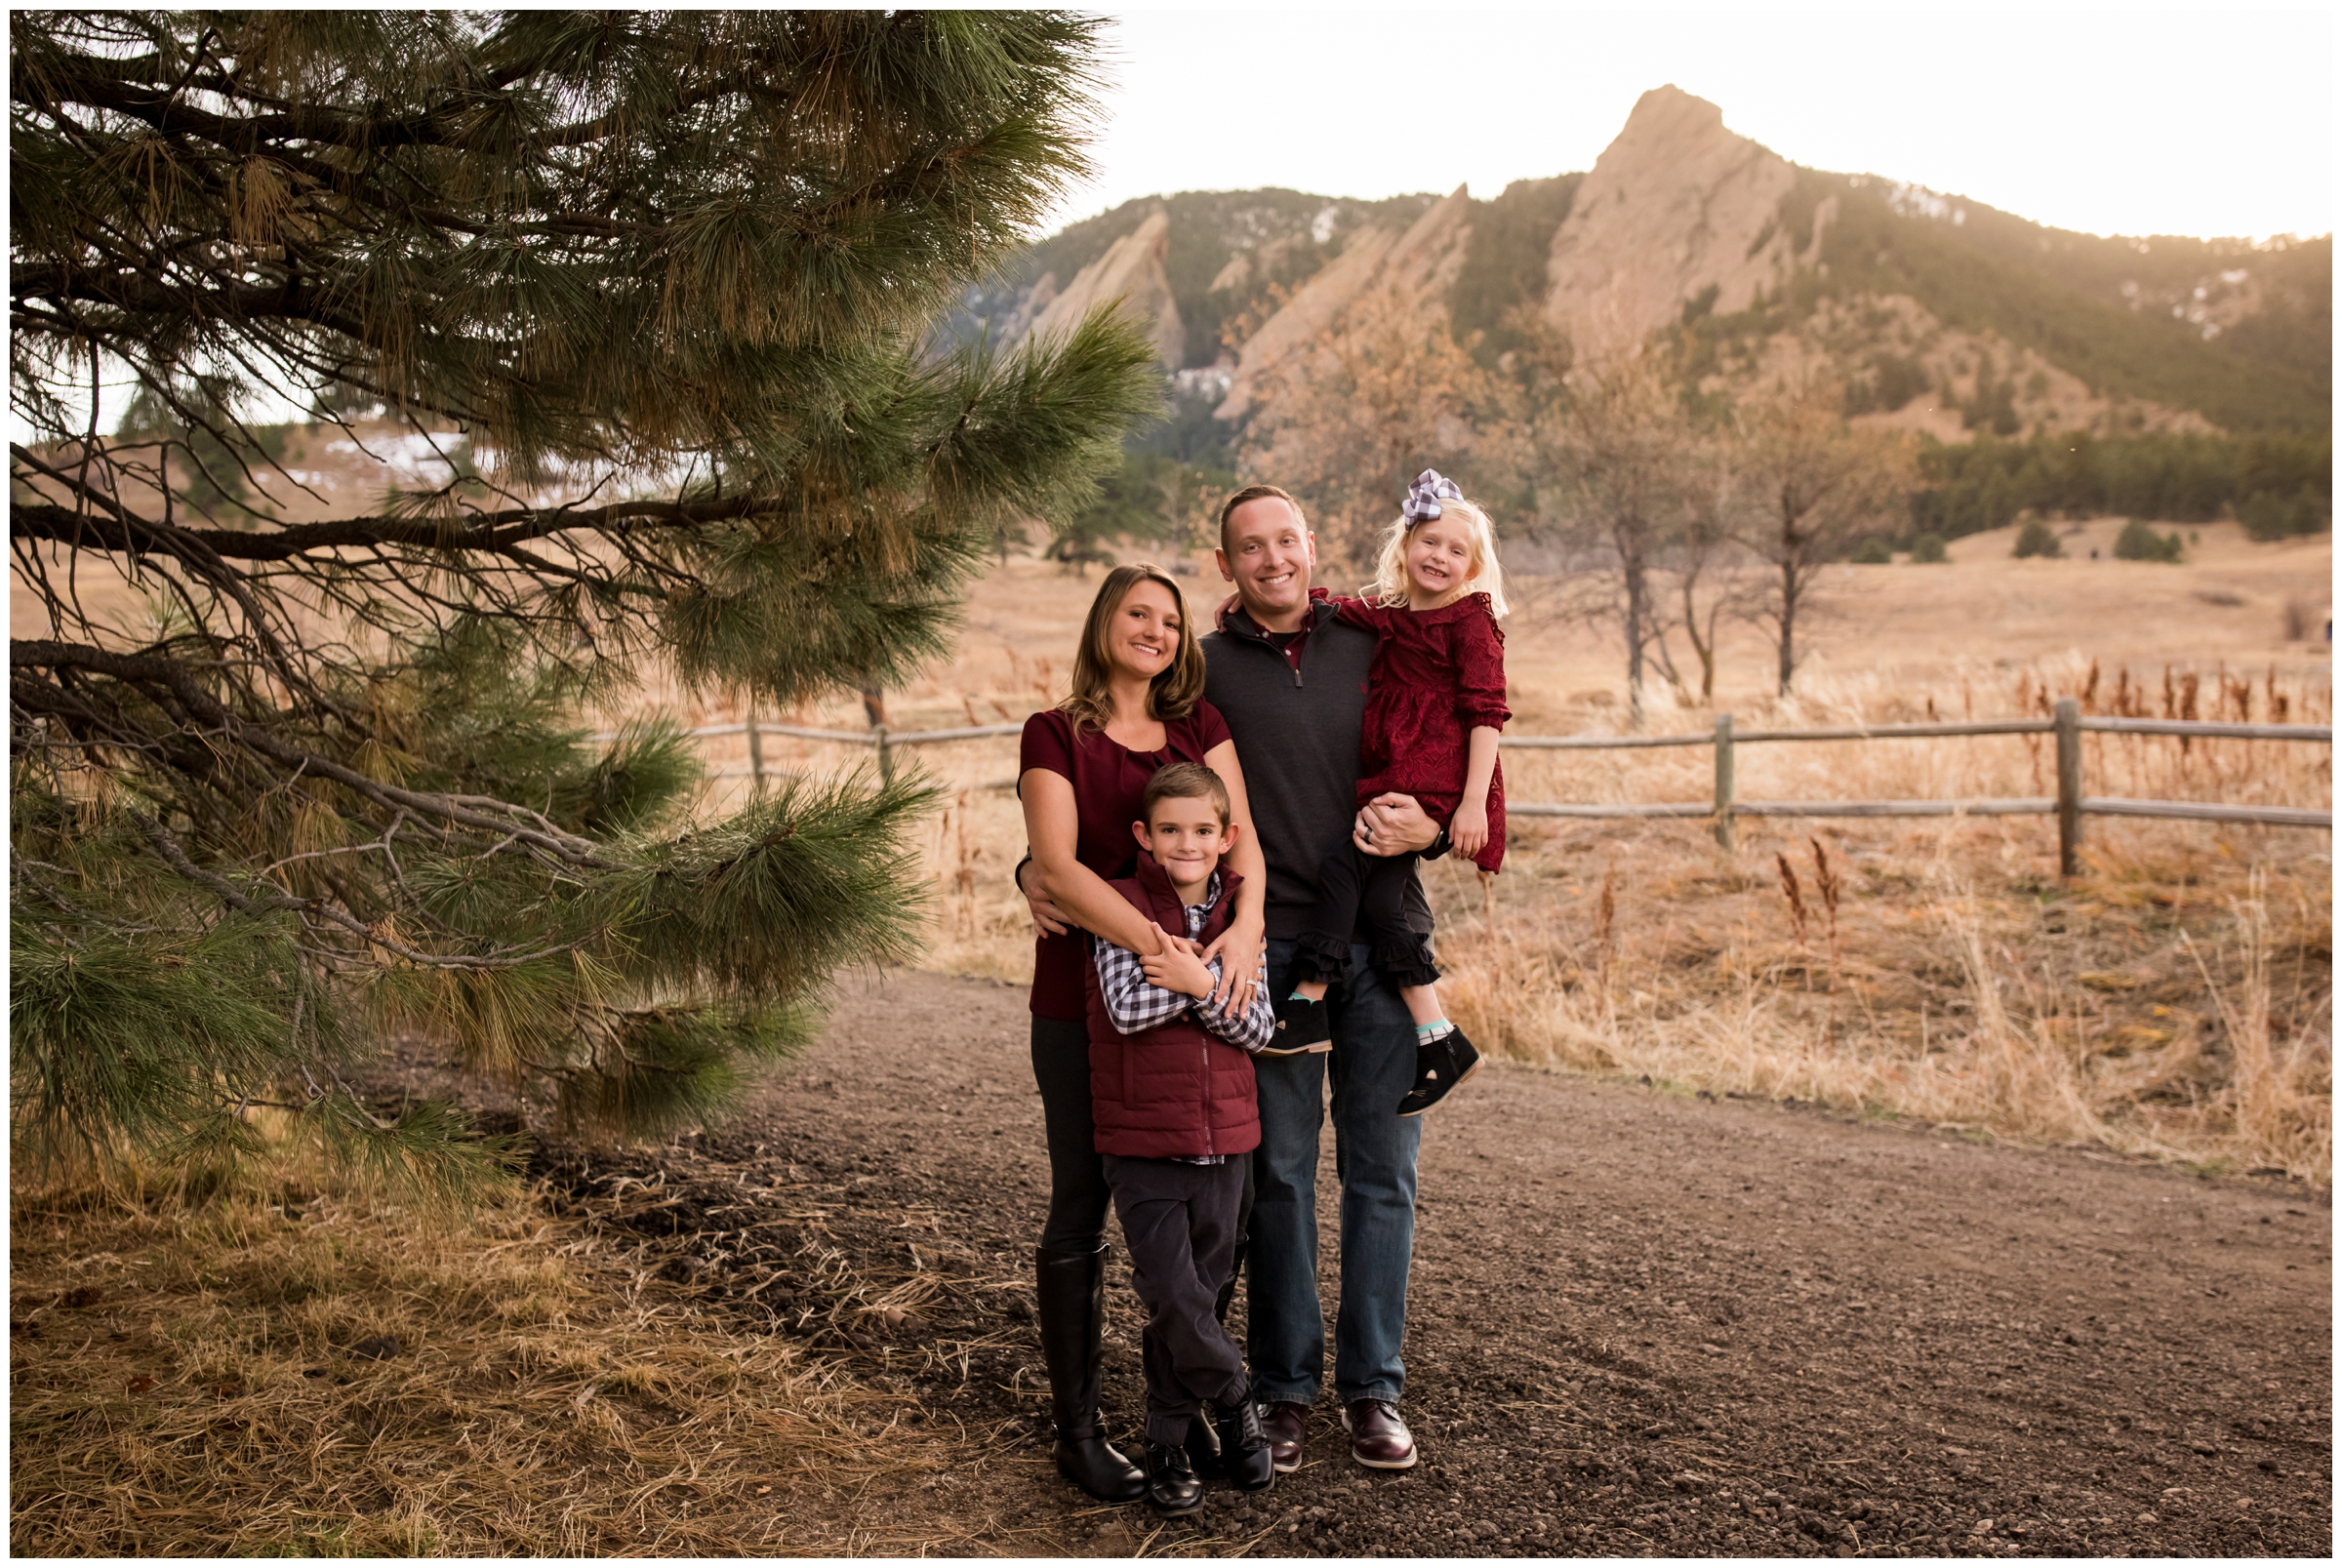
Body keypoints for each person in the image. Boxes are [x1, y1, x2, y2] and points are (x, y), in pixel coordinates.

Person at [1198, 482, 1450, 1474]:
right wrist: (1038, 868)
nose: (1272, 559)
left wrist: (1434, 820)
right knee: (1282, 1174)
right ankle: (1285, 1386)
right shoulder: (1206, 669)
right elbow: (1138, 773)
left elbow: (1458, 733)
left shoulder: (1375, 641)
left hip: (1386, 943)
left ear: (1314, 544)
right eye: (1249, 548)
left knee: (1384, 1172)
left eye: (1286, 540)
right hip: (1271, 951)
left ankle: (1374, 1387)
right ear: (1227, 567)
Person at [1015, 564, 1268, 1503]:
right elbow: (1056, 865)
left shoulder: (1200, 729)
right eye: (1137, 613)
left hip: (1202, 996)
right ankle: (1077, 1434)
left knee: (1208, 1221)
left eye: (1169, 619)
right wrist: (1166, 947)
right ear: (1103, 621)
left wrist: (1241, 932)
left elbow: (1243, 844)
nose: (1155, 631)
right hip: (1082, 1000)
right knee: (1081, 1205)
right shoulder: (1056, 733)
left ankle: (1186, 1412)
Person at [1278, 469, 1510, 1117]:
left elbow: (1487, 712)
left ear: (1472, 566)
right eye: (1429, 542)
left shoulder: (1471, 622)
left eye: (1456, 551)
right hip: (1397, 769)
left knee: (1343, 867)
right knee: (1382, 908)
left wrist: (1467, 804)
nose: (1439, 557)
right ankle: (1439, 1039)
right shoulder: (1391, 614)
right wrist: (1252, 608)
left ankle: (1307, 1000)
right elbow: (1331, 610)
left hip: (1434, 778)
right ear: (1405, 545)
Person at [1084, 761, 1279, 1512]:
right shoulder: (1122, 907)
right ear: (1145, 835)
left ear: (1227, 838)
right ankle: (1234, 1400)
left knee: (1197, 1295)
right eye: (1170, 829)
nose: (1186, 843)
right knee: (1171, 1290)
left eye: (1202, 830)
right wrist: (1209, 984)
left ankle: (1167, 1439)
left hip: (1228, 1138)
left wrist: (1191, 978)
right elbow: (1127, 1009)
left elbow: (1256, 1025)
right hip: (1142, 1138)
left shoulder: (1244, 917)